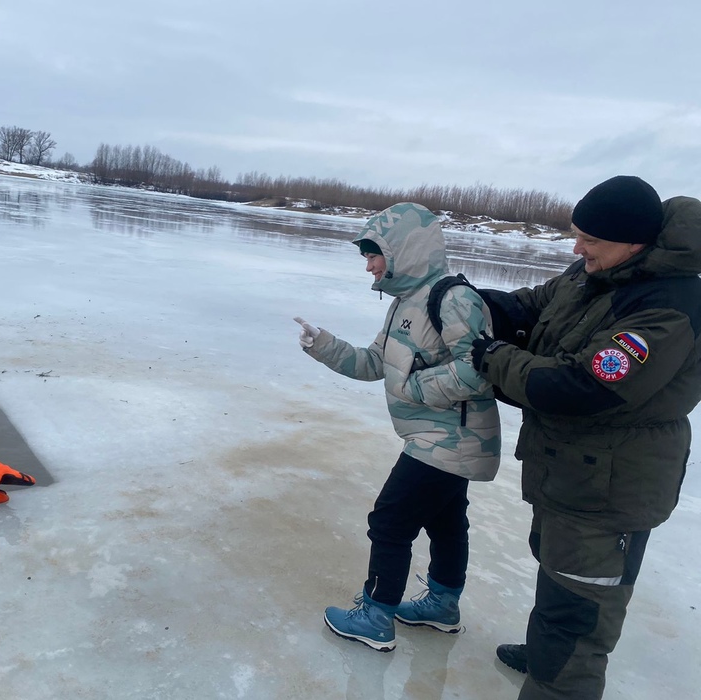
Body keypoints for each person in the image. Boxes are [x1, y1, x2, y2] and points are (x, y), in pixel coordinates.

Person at [470, 176, 701, 699]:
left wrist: (491, 357)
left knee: (579, 614)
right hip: (573, 471)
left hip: (612, 489)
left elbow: (581, 386)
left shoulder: (666, 306)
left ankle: (560, 677)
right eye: (578, 236)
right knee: (558, 575)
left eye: (590, 240)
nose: (578, 249)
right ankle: (547, 651)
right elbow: (534, 303)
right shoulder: (596, 273)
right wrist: (471, 299)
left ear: (633, 241)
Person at [295, 202, 501, 651]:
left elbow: (480, 370)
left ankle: (376, 614)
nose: (368, 265)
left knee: (389, 522)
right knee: (447, 521)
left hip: (451, 439)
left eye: (373, 254)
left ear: (404, 250)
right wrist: (323, 345)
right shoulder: (407, 302)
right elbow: (375, 364)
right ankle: (444, 605)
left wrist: (413, 386)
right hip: (437, 438)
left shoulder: (454, 300)